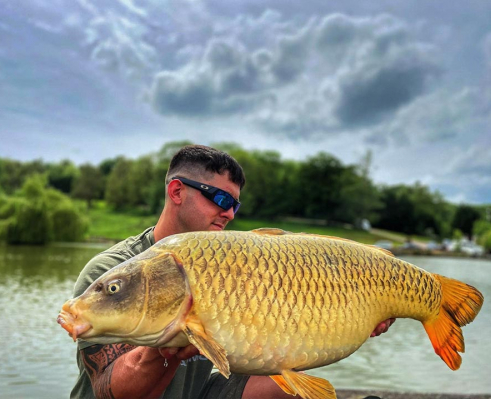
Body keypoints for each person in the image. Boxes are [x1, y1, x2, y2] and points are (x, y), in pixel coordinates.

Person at [70, 144, 395, 399]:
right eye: (220, 198)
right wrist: (166, 348)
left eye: (235, 204)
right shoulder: (112, 270)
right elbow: (111, 392)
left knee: (290, 390)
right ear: (177, 192)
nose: (229, 213)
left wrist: (349, 320)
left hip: (197, 394)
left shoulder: (233, 264)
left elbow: (280, 337)